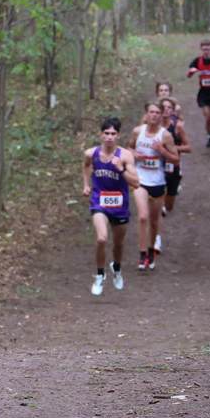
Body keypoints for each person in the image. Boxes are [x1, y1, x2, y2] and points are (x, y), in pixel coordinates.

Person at [82, 117, 139, 295]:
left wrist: (121, 169)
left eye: (113, 133)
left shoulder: (126, 156)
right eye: (106, 133)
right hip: (99, 201)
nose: (109, 137)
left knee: (118, 244)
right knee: (101, 238)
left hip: (120, 204)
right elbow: (85, 167)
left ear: (118, 135)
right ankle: (100, 275)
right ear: (101, 134)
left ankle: (117, 268)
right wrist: (86, 184)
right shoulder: (91, 154)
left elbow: (136, 183)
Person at [129, 102, 179, 270]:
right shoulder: (138, 131)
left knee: (154, 222)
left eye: (158, 112)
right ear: (147, 114)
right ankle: (142, 254)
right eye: (151, 112)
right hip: (140, 180)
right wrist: (135, 154)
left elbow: (176, 159)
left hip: (158, 182)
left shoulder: (165, 136)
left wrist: (162, 151)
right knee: (143, 216)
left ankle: (151, 251)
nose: (155, 115)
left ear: (161, 115)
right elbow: (129, 148)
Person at [158, 96, 191, 223]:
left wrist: (171, 148)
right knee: (155, 196)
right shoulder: (151, 126)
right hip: (155, 166)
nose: (166, 110)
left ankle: (163, 205)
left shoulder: (177, 127)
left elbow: (188, 148)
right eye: (163, 107)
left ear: (173, 111)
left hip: (172, 165)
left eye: (169, 108)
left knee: (169, 205)